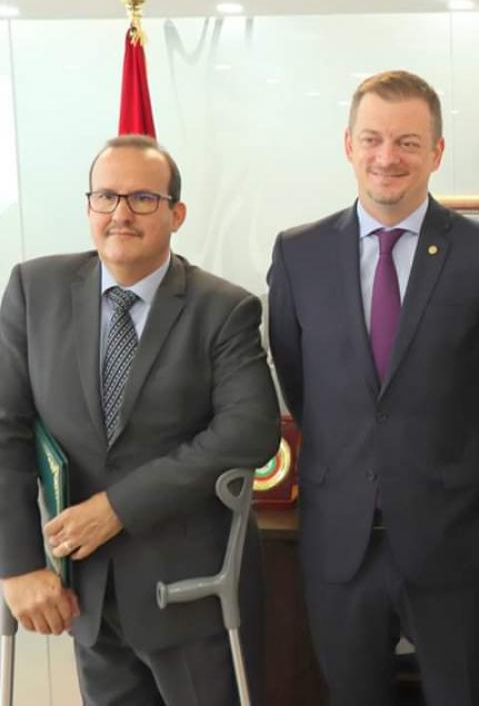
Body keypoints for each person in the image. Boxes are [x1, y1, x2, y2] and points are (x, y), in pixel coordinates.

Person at [268, 70, 479, 705]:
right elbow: (298, 378)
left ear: (436, 152)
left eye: (409, 142)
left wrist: (452, 469)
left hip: (453, 543)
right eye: (373, 139)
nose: (388, 157)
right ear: (348, 145)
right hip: (341, 546)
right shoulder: (299, 254)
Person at [0, 134, 279, 705]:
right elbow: (5, 428)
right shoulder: (35, 290)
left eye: (143, 199)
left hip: (191, 599)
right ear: (88, 207)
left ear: (176, 213)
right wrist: (18, 566)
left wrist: (118, 507)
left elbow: (249, 431)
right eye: (106, 196)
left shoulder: (224, 308)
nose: (121, 214)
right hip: (84, 598)